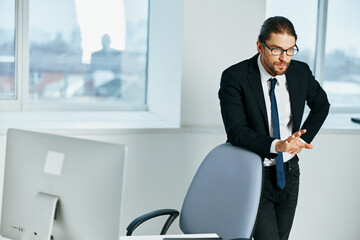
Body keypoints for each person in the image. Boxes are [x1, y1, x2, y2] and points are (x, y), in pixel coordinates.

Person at [218, 16, 330, 240]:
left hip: (290, 173)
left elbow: (321, 105)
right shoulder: (235, 77)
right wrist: (277, 145)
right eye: (277, 49)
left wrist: (301, 139)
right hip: (254, 175)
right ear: (260, 46)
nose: (284, 58)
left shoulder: (300, 72)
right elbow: (236, 131)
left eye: (290, 50)